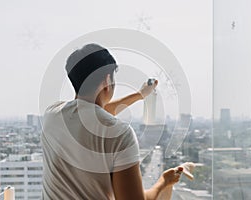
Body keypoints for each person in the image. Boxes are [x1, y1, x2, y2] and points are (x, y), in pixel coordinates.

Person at [41, 43, 183, 200]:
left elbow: (94, 113)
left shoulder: (52, 115)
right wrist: (163, 182)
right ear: (107, 80)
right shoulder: (120, 134)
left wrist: (140, 95)